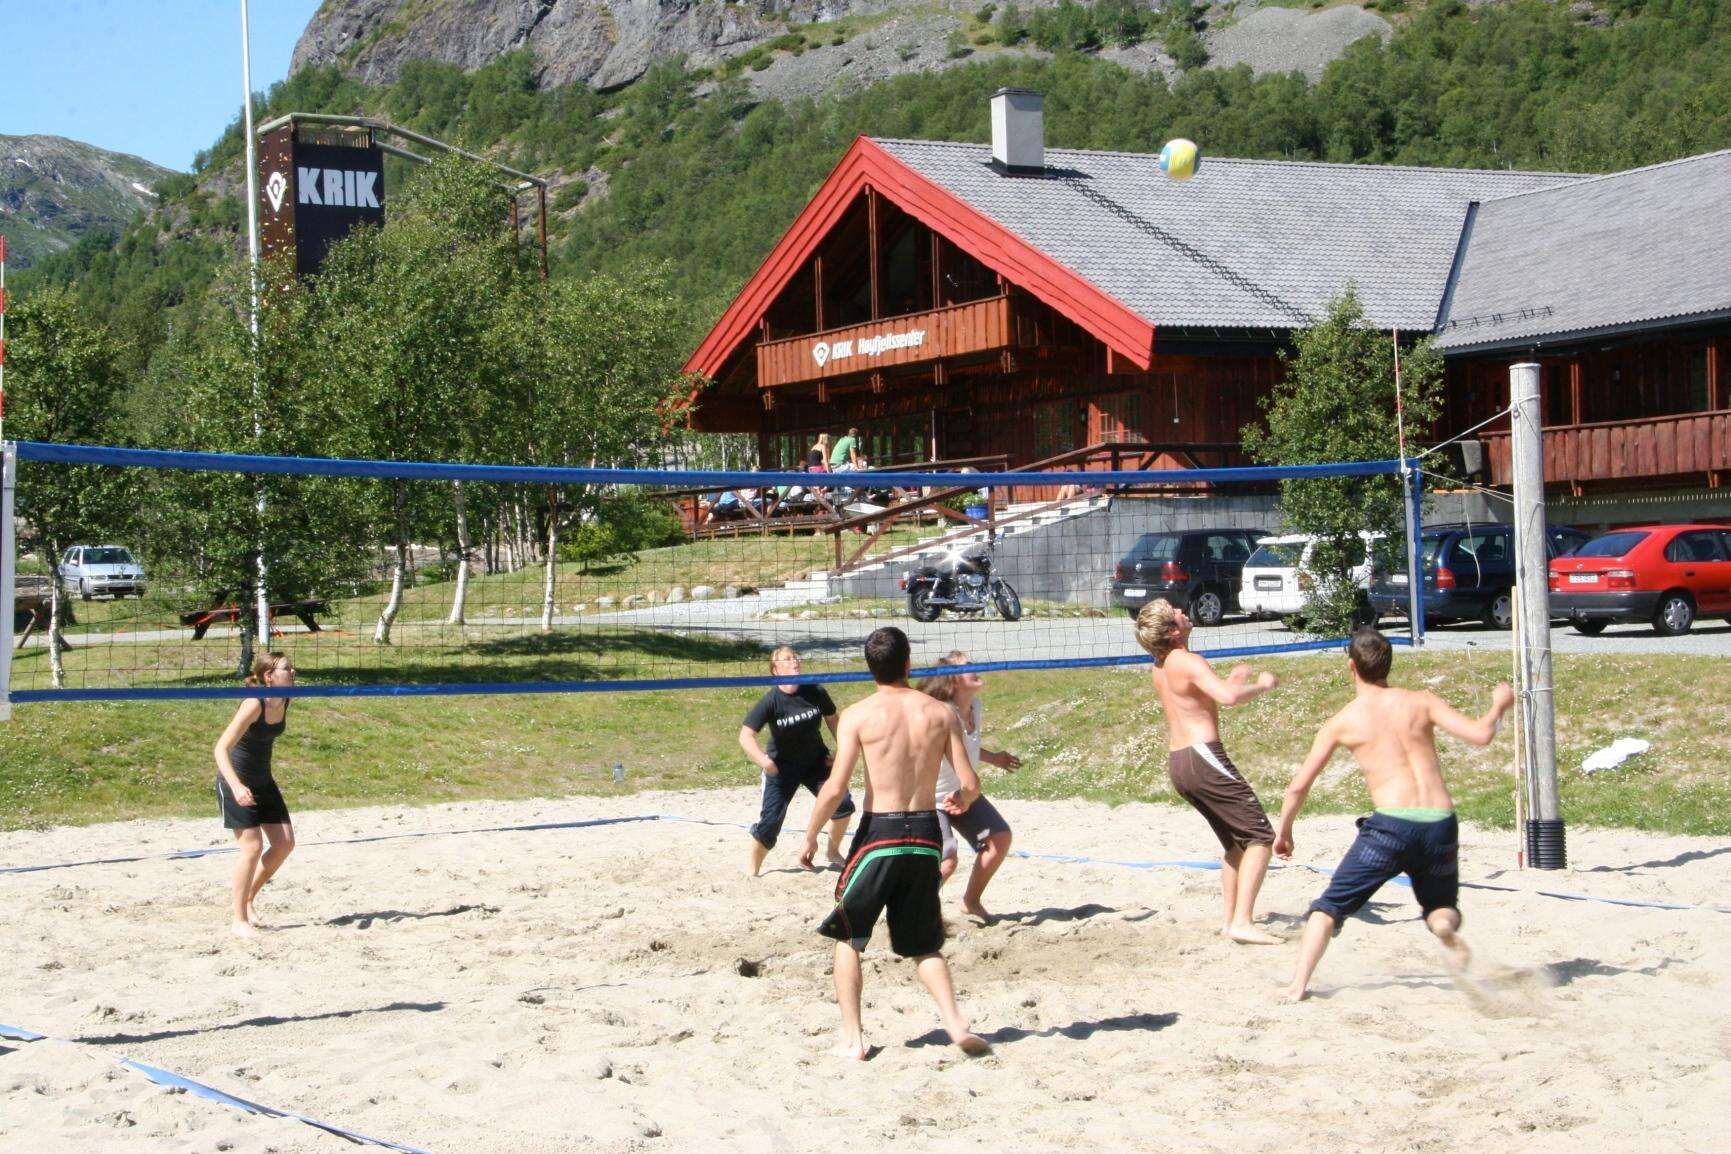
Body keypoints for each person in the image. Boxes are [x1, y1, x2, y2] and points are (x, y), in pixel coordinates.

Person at [1274, 629, 1514, 1003]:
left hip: (1390, 828)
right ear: (1388, 664)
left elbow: (1298, 787)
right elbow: (1481, 735)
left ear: (1351, 666)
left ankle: (1297, 986)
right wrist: (1499, 705)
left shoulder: (1343, 721)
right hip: (1439, 823)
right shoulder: (1422, 701)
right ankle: (1444, 929)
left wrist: (1284, 831)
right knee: (1440, 908)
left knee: (1328, 908)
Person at [801, 627, 989, 1060]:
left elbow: (835, 788)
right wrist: (962, 800)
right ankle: (956, 1025)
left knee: (849, 936)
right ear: (908, 663)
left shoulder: (858, 715)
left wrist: (811, 836)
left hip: (879, 834)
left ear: (870, 669)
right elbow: (970, 783)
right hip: (925, 833)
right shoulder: (940, 713)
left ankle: (853, 1039)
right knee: (924, 943)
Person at [1134, 599, 1283, 945]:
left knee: (1236, 845)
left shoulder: (1161, 664)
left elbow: (1199, 701)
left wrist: (1232, 680)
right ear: (1173, 630)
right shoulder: (1187, 661)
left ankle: (1230, 921)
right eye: (1177, 612)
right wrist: (1263, 684)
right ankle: (1242, 922)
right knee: (1261, 837)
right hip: (1203, 758)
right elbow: (1228, 698)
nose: (1183, 612)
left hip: (1181, 762)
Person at [916, 652, 1021, 921]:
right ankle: (913, 911)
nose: (975, 669)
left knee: (999, 839)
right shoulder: (942, 714)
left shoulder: (974, 705)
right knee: (947, 861)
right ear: (952, 680)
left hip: (962, 794)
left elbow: (963, 749)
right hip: (931, 799)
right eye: (967, 666)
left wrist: (993, 758)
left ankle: (970, 901)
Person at [740, 645, 856, 877]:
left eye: (795, 657)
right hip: (781, 768)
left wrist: (841, 750)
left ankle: (833, 852)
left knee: (843, 805)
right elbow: (745, 736)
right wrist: (764, 761)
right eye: (787, 659)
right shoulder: (771, 701)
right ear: (776, 670)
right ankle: (752, 870)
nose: (794, 661)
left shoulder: (814, 690)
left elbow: (833, 720)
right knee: (770, 823)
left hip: (816, 762)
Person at [214, 652, 298, 938]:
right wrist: (237, 787)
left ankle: (248, 898)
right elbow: (220, 749)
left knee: (284, 844)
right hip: (235, 781)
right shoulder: (254, 703)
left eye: (292, 667)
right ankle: (238, 920)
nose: (293, 671)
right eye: (286, 668)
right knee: (251, 848)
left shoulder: (286, 699)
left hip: (263, 781)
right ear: (269, 676)